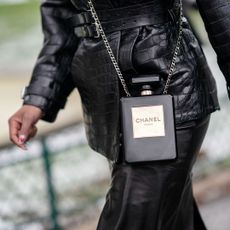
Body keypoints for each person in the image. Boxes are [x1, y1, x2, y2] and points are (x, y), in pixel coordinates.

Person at [8, 0, 230, 229]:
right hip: (107, 104)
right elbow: (63, 23)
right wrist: (38, 99)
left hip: (172, 89)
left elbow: (222, 10)